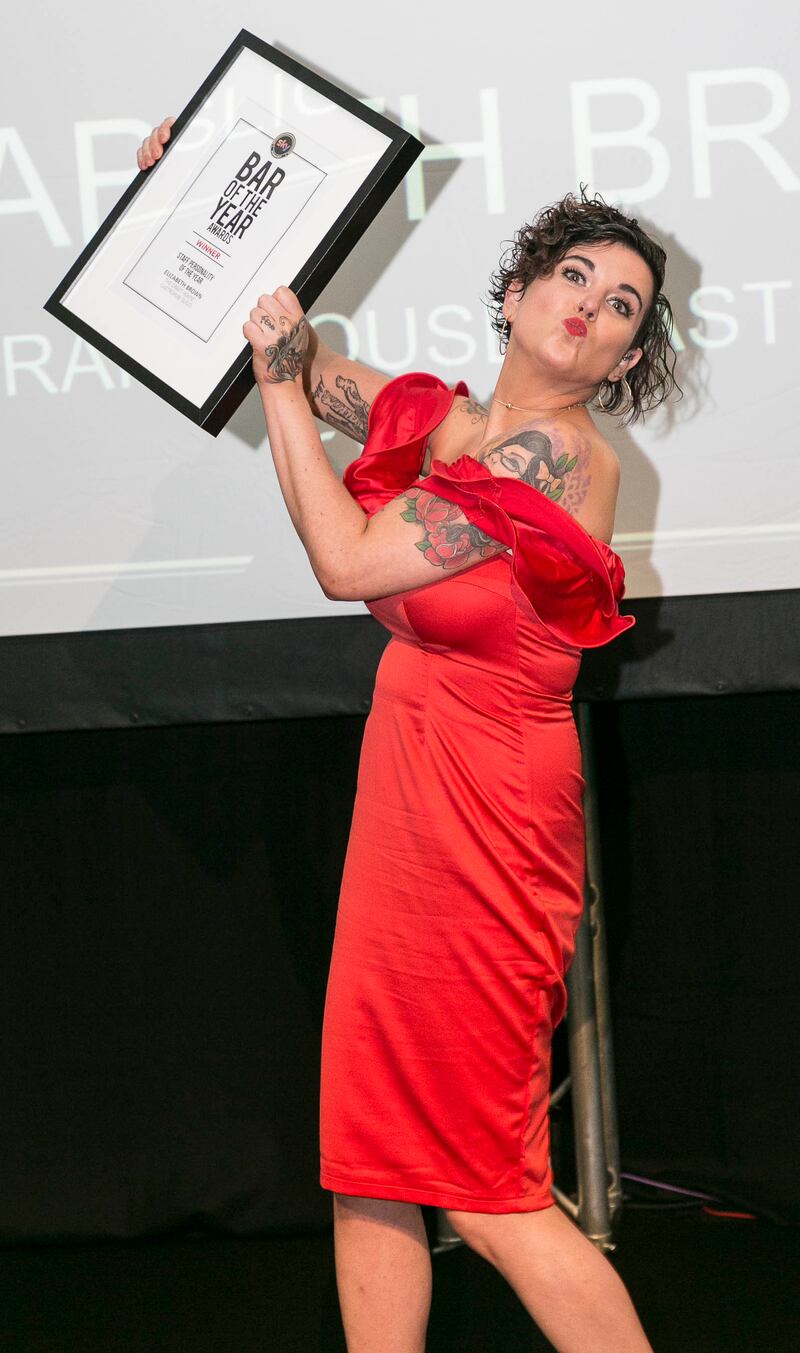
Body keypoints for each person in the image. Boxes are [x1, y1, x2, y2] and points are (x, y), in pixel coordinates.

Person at [138, 119, 678, 1353]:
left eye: (620, 306)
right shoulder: (452, 426)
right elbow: (307, 353)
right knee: (371, 1160)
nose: (589, 308)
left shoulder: (550, 458)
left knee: (488, 1193)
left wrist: (278, 386)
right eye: (573, 278)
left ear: (625, 354)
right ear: (515, 294)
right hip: (407, 811)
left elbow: (344, 559)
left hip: (486, 833)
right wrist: (197, 204)